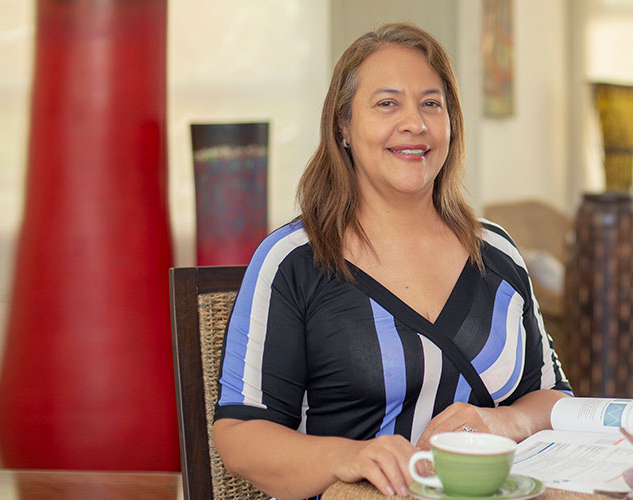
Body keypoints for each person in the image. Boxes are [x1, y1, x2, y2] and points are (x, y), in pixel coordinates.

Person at [212, 22, 571, 499]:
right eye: (387, 104)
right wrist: (351, 456)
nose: (414, 123)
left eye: (431, 104)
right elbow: (239, 438)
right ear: (343, 125)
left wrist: (502, 421)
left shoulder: (498, 253)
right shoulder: (292, 261)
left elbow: (553, 399)